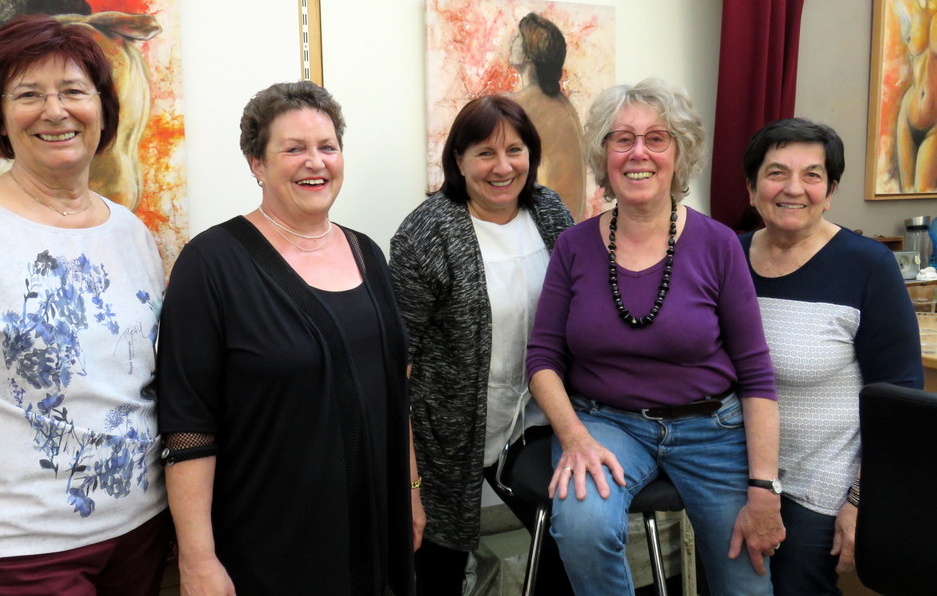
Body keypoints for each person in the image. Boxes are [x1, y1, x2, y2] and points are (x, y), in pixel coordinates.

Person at [0, 14, 170, 595]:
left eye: (74, 91)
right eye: (29, 95)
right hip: (19, 551)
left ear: (103, 108)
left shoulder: (131, 233)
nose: (55, 111)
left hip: (141, 532)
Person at [526, 78, 785, 595]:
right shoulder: (574, 246)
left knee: (746, 584)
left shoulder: (719, 245)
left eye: (656, 138)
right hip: (605, 424)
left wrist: (764, 488)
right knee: (582, 527)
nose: (638, 153)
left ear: (678, 153)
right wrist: (574, 437)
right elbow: (542, 359)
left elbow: (756, 375)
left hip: (712, 430)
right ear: (604, 155)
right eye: (622, 139)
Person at [157, 81, 417, 595]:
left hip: (375, 529)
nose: (315, 162)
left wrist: (411, 490)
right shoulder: (210, 264)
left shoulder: (367, 252)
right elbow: (188, 427)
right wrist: (198, 559)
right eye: (294, 149)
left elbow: (395, 388)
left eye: (327, 147)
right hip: (271, 543)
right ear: (256, 163)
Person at [390, 95, 575, 594]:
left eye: (514, 150)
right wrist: (408, 478)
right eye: (485, 153)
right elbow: (397, 362)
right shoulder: (426, 233)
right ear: (459, 159)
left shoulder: (551, 212)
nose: (503, 167)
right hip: (446, 434)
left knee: (569, 541)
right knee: (439, 566)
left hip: (538, 420)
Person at [739, 118, 924, 594]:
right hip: (736, 476)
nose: (793, 188)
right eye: (776, 173)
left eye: (812, 175)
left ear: (830, 190)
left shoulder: (867, 265)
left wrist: (860, 499)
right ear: (752, 188)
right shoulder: (727, 258)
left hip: (824, 485)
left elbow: (899, 399)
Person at [507, 12, 589, 221]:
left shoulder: (517, 105)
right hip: (565, 228)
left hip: (545, 228)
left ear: (528, 53)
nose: (511, 42)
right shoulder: (564, 105)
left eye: (517, 38)